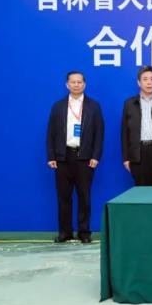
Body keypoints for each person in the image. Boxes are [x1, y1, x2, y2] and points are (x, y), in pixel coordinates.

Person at [46, 71, 104, 243]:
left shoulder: (94, 106)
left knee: (84, 197)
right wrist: (51, 156)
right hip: (62, 157)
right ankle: (65, 232)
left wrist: (95, 156)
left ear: (84, 84)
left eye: (79, 82)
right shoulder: (58, 106)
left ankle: (84, 232)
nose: (76, 85)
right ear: (67, 85)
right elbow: (50, 132)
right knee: (63, 197)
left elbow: (99, 133)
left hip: (84, 158)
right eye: (73, 82)